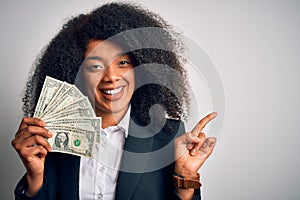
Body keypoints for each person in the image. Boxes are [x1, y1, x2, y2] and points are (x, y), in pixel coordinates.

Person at [11, 2, 217, 200]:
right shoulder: (51, 137)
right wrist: (34, 176)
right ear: (77, 74)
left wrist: (185, 177)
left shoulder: (167, 136)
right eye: (95, 66)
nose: (111, 76)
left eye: (123, 63)